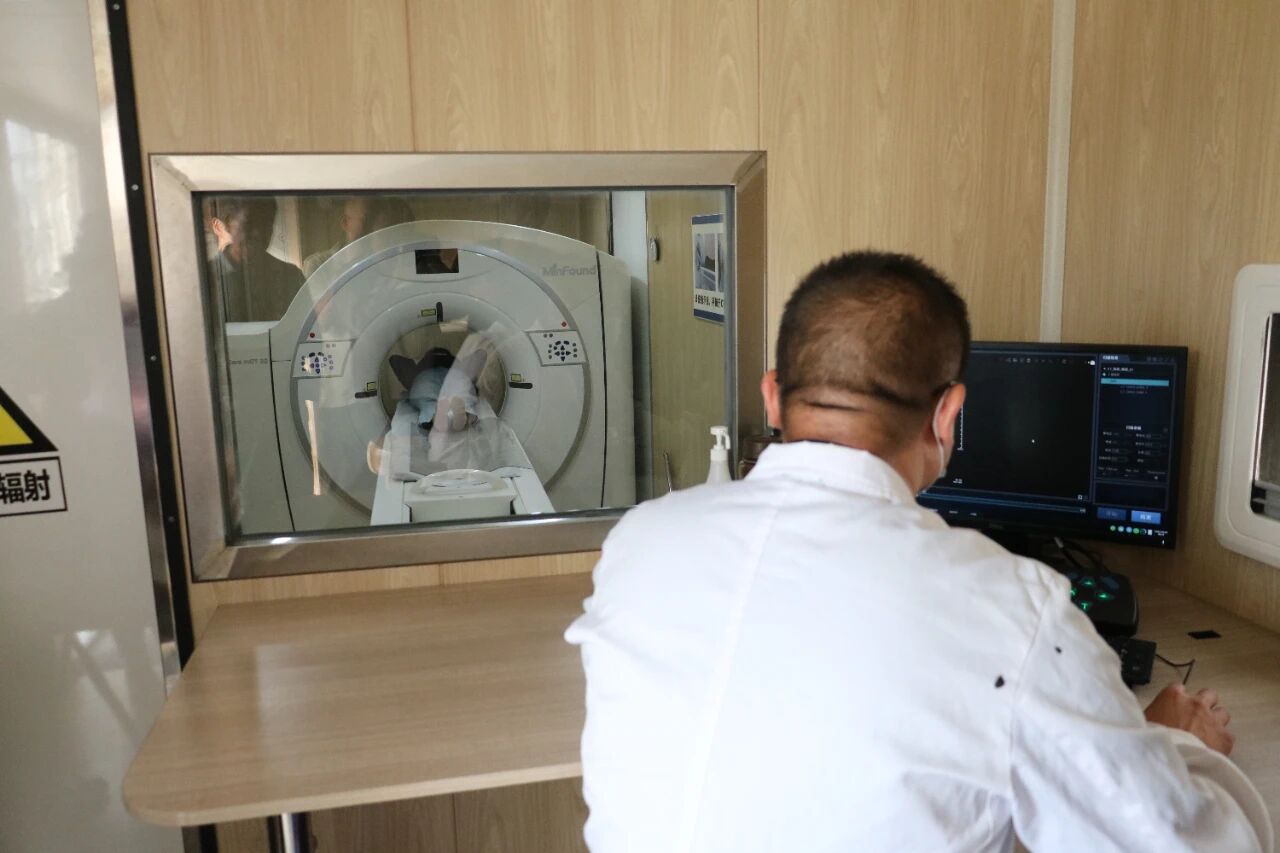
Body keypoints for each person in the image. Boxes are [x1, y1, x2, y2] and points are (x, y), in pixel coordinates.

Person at [566, 250, 1272, 852]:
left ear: (773, 398)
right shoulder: (1011, 610)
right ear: (948, 414)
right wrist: (1177, 748)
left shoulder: (641, 540)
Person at [205, 196, 303, 322]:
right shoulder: (206, 277)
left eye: (267, 224)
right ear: (226, 225)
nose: (258, 233)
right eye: (249, 223)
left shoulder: (290, 275)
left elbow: (308, 328)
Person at [302, 196, 416, 278]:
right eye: (366, 219)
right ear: (345, 222)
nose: (371, 227)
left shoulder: (387, 262)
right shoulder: (319, 265)